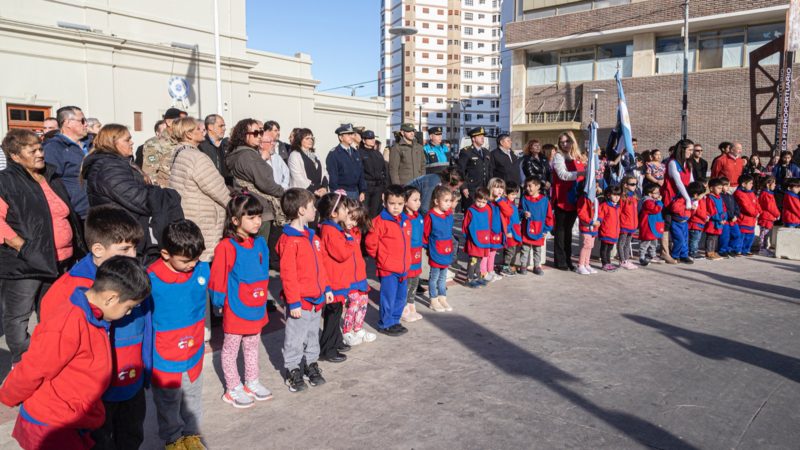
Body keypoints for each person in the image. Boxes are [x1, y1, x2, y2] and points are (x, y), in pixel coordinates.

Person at [0, 256, 150, 450]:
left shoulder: (95, 316)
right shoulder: (67, 322)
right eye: (129, 307)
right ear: (111, 297)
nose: (129, 313)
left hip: (75, 417)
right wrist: (8, 395)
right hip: (51, 423)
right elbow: (34, 368)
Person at [36, 205, 147, 450]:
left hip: (131, 383)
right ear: (98, 249)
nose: (133, 255)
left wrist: (146, 369)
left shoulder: (135, 278)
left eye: (135, 248)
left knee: (131, 437)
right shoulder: (70, 289)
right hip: (94, 394)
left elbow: (146, 324)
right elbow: (49, 347)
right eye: (125, 248)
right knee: (99, 442)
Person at [0, 129, 85, 367]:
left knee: (53, 312)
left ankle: (50, 356)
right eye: (33, 150)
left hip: (60, 260)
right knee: (18, 317)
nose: (40, 153)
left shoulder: (51, 176)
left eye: (40, 148)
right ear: (15, 156)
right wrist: (22, 247)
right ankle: (24, 361)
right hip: (25, 263)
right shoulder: (5, 181)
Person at [147, 220, 209, 450]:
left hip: (193, 349)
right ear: (165, 254)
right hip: (165, 353)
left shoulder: (202, 269)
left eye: (196, 259)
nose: (192, 265)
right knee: (168, 400)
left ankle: (191, 433)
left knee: (192, 396)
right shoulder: (151, 280)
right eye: (185, 260)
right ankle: (173, 438)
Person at [82, 124, 182, 263]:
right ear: (112, 142)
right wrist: (165, 193)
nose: (132, 142)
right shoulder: (108, 168)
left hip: (129, 233)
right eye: (127, 140)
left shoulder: (119, 163)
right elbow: (139, 199)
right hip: (121, 237)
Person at [209, 193, 272, 409]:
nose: (257, 221)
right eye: (251, 217)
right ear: (235, 220)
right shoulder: (226, 246)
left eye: (259, 217)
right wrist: (218, 300)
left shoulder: (260, 244)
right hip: (236, 306)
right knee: (231, 349)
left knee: (252, 346)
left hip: (256, 304)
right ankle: (232, 387)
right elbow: (218, 276)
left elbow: (263, 273)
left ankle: (251, 381)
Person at [276, 188, 334, 392]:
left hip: (316, 298)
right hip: (299, 301)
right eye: (312, 207)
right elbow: (288, 275)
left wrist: (326, 287)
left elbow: (321, 266)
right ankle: (292, 369)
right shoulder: (290, 241)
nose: (315, 210)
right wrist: (293, 302)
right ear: (301, 210)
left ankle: (311, 364)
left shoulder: (312, 237)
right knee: (295, 337)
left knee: (311, 335)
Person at [169, 117, 230, 262]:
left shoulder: (179, 153)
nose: (202, 131)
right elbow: (217, 189)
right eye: (198, 129)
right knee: (204, 263)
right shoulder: (196, 158)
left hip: (190, 213)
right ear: (188, 134)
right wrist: (234, 207)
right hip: (204, 219)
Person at [226, 119, 284, 244]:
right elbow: (266, 183)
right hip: (259, 210)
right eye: (255, 133)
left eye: (261, 132)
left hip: (246, 207)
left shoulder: (237, 154)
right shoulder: (248, 156)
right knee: (260, 249)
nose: (259, 136)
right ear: (243, 134)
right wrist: (284, 193)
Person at [365, 185, 412, 336]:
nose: (396, 207)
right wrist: (381, 257)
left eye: (399, 204)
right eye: (392, 203)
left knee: (401, 297)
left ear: (404, 203)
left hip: (403, 267)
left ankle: (395, 320)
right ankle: (385, 323)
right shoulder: (379, 222)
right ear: (384, 202)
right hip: (388, 268)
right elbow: (370, 244)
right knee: (388, 297)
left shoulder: (405, 220)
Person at [317, 192, 355, 363]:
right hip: (333, 280)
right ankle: (328, 349)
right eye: (344, 208)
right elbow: (341, 254)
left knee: (336, 312)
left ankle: (336, 341)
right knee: (332, 316)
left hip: (337, 278)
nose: (347, 210)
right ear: (333, 214)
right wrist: (350, 240)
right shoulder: (331, 231)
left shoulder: (332, 228)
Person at [340, 198, 376, 346]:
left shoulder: (356, 231)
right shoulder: (338, 232)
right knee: (353, 303)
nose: (353, 223)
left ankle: (358, 328)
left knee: (363, 301)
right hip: (348, 276)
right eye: (351, 219)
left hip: (360, 274)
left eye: (356, 220)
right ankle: (347, 331)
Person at [43, 105, 90, 218]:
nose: (86, 124)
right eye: (82, 121)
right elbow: (51, 184)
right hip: (76, 214)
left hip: (97, 210)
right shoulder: (54, 148)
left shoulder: (91, 144)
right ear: (68, 123)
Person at [551, 131, 586, 271]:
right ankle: (560, 260)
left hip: (575, 197)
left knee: (569, 231)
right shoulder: (558, 156)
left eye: (567, 141)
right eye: (562, 142)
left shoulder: (577, 157)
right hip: (562, 197)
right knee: (560, 230)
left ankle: (568, 258)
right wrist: (580, 174)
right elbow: (562, 175)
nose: (564, 144)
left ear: (572, 142)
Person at [660, 140, 695, 264]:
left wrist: (693, 198)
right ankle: (667, 252)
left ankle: (683, 253)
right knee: (671, 228)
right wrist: (687, 198)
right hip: (671, 199)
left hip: (683, 199)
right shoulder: (672, 163)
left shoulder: (688, 164)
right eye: (689, 150)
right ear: (682, 149)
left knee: (684, 228)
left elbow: (691, 182)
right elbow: (678, 182)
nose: (691, 152)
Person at [423, 185, 455, 311]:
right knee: (434, 276)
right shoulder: (430, 216)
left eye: (450, 201)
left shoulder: (449, 215)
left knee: (443, 276)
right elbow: (425, 234)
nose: (449, 204)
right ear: (436, 201)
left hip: (446, 249)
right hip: (435, 250)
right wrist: (427, 248)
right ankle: (433, 299)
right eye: (446, 201)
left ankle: (443, 298)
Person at [142, 107, 185, 188]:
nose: (183, 125)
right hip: (167, 193)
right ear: (169, 122)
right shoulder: (154, 143)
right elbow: (150, 175)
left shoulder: (183, 141)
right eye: (180, 122)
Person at [519, 176, 553, 275]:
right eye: (526, 186)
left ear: (537, 186)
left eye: (530, 186)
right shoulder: (524, 198)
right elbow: (519, 211)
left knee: (537, 249)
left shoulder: (544, 200)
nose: (528, 188)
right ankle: (523, 266)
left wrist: (546, 230)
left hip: (540, 229)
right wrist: (523, 213)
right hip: (527, 228)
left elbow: (549, 216)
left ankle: (537, 266)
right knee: (525, 248)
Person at [401, 186, 424, 323]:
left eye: (419, 199)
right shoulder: (403, 219)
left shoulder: (419, 216)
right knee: (407, 281)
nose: (418, 202)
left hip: (418, 253)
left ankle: (411, 303)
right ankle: (403, 307)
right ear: (405, 201)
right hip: (408, 254)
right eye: (415, 200)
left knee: (415, 279)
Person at [462, 187, 494, 288]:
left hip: (483, 239)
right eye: (479, 201)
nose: (481, 204)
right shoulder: (471, 210)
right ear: (475, 198)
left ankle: (477, 277)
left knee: (479, 259)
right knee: (473, 260)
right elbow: (465, 226)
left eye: (484, 202)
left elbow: (489, 223)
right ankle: (469, 278)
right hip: (473, 240)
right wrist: (468, 238)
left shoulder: (488, 209)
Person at [457, 127, 493, 211]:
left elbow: (489, 170)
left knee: (484, 212)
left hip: (484, 188)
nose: (482, 138)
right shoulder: (466, 151)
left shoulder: (486, 152)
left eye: (483, 136)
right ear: (473, 138)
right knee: (471, 212)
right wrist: (463, 187)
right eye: (480, 136)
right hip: (471, 189)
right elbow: (460, 171)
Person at [327, 124, 366, 200]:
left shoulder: (355, 152)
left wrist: (362, 190)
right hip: (342, 192)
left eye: (352, 134)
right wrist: (336, 193)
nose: (351, 136)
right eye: (348, 134)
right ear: (341, 137)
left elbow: (361, 172)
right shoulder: (334, 154)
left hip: (356, 191)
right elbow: (333, 176)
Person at [287, 128, 329, 197]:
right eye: (307, 138)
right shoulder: (294, 155)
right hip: (303, 195)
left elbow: (325, 173)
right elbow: (298, 178)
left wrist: (324, 188)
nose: (310, 140)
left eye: (312, 138)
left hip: (319, 195)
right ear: (300, 140)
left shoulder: (316, 156)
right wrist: (314, 190)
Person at [670, 182, 704, 264]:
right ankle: (675, 255)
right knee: (679, 240)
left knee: (685, 240)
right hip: (676, 223)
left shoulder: (691, 200)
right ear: (696, 195)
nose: (701, 197)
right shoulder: (682, 198)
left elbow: (689, 213)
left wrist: (692, 209)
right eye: (700, 195)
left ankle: (684, 255)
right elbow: (674, 208)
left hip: (684, 223)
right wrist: (687, 207)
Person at [359, 129, 388, 217]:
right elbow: (359, 173)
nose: (372, 140)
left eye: (373, 138)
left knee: (375, 213)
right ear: (364, 140)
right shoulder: (359, 153)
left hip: (378, 188)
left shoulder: (378, 154)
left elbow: (384, 171)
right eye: (369, 138)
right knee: (364, 212)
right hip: (366, 187)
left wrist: (384, 189)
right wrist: (362, 190)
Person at [486, 178, 508, 280]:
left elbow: (508, 212)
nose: (499, 190)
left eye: (501, 188)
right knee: (486, 252)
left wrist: (499, 200)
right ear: (490, 188)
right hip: (488, 232)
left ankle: (490, 270)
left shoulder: (502, 201)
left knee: (493, 252)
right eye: (496, 187)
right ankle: (484, 272)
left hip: (498, 232)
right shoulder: (486, 202)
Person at [734, 175, 761, 256]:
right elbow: (746, 206)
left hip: (751, 220)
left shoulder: (751, 193)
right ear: (743, 184)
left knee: (750, 236)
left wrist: (759, 211)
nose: (752, 185)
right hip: (743, 219)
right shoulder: (739, 193)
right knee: (741, 236)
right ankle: (738, 250)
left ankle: (746, 249)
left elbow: (756, 203)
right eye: (750, 183)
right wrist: (755, 213)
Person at [575, 185, 600, 275]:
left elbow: (599, 212)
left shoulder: (596, 200)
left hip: (594, 227)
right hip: (586, 227)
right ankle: (580, 265)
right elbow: (581, 214)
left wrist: (599, 220)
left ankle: (587, 264)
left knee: (590, 246)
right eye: (596, 186)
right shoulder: (583, 199)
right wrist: (590, 222)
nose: (598, 188)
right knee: (586, 245)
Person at [638, 185, 665, 266]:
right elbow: (655, 209)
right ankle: (642, 256)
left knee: (654, 241)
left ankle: (652, 255)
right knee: (646, 242)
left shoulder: (653, 200)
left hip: (654, 225)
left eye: (659, 193)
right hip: (648, 226)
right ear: (650, 194)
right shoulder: (647, 201)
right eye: (656, 193)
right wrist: (659, 202)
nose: (659, 195)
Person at [198, 114, 230, 183]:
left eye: (224, 126)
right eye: (221, 126)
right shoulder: (201, 147)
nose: (224, 129)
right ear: (210, 127)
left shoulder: (226, 145)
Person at [597, 186, 622, 272]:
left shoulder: (618, 207)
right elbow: (600, 217)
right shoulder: (604, 205)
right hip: (606, 231)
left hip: (614, 232)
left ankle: (608, 262)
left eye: (618, 195)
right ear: (608, 195)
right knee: (604, 248)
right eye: (614, 195)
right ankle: (605, 263)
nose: (617, 197)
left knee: (610, 249)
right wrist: (598, 223)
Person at [618, 175, 640, 270]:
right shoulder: (623, 197)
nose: (634, 186)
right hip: (624, 224)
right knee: (622, 242)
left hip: (632, 224)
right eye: (632, 184)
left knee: (628, 243)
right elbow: (619, 211)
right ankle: (622, 260)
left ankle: (626, 259)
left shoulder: (634, 197)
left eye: (636, 184)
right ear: (625, 185)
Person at [260, 125, 291, 190]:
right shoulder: (258, 158)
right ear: (261, 144)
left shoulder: (277, 157)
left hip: (281, 191)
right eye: (270, 142)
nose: (273, 144)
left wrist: (283, 187)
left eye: (273, 141)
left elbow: (286, 173)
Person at [704, 178, 727, 260]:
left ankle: (713, 251)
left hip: (720, 221)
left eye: (721, 188)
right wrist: (719, 219)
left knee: (716, 237)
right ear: (711, 188)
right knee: (711, 237)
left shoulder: (720, 197)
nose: (720, 190)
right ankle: (709, 251)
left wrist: (725, 218)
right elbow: (712, 210)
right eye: (718, 188)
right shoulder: (709, 198)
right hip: (712, 222)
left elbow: (724, 208)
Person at [719, 177, 742, 257]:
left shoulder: (730, 196)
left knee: (737, 234)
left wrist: (736, 215)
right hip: (726, 220)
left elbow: (736, 206)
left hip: (733, 220)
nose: (728, 187)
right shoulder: (720, 197)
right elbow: (724, 208)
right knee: (725, 236)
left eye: (728, 185)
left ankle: (732, 249)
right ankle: (723, 250)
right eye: (726, 186)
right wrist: (730, 216)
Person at [757, 176, 780, 254]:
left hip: (768, 217)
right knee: (763, 234)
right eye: (773, 183)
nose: (775, 185)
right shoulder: (766, 194)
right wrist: (777, 214)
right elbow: (770, 206)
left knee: (766, 233)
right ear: (768, 184)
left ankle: (764, 247)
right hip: (765, 217)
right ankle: (761, 249)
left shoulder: (768, 193)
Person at [688, 179, 710, 260]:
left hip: (700, 223)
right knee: (694, 240)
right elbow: (697, 211)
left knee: (697, 239)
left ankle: (694, 251)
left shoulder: (702, 199)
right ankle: (693, 252)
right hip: (695, 223)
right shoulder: (695, 201)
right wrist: (705, 217)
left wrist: (708, 215)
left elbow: (705, 209)